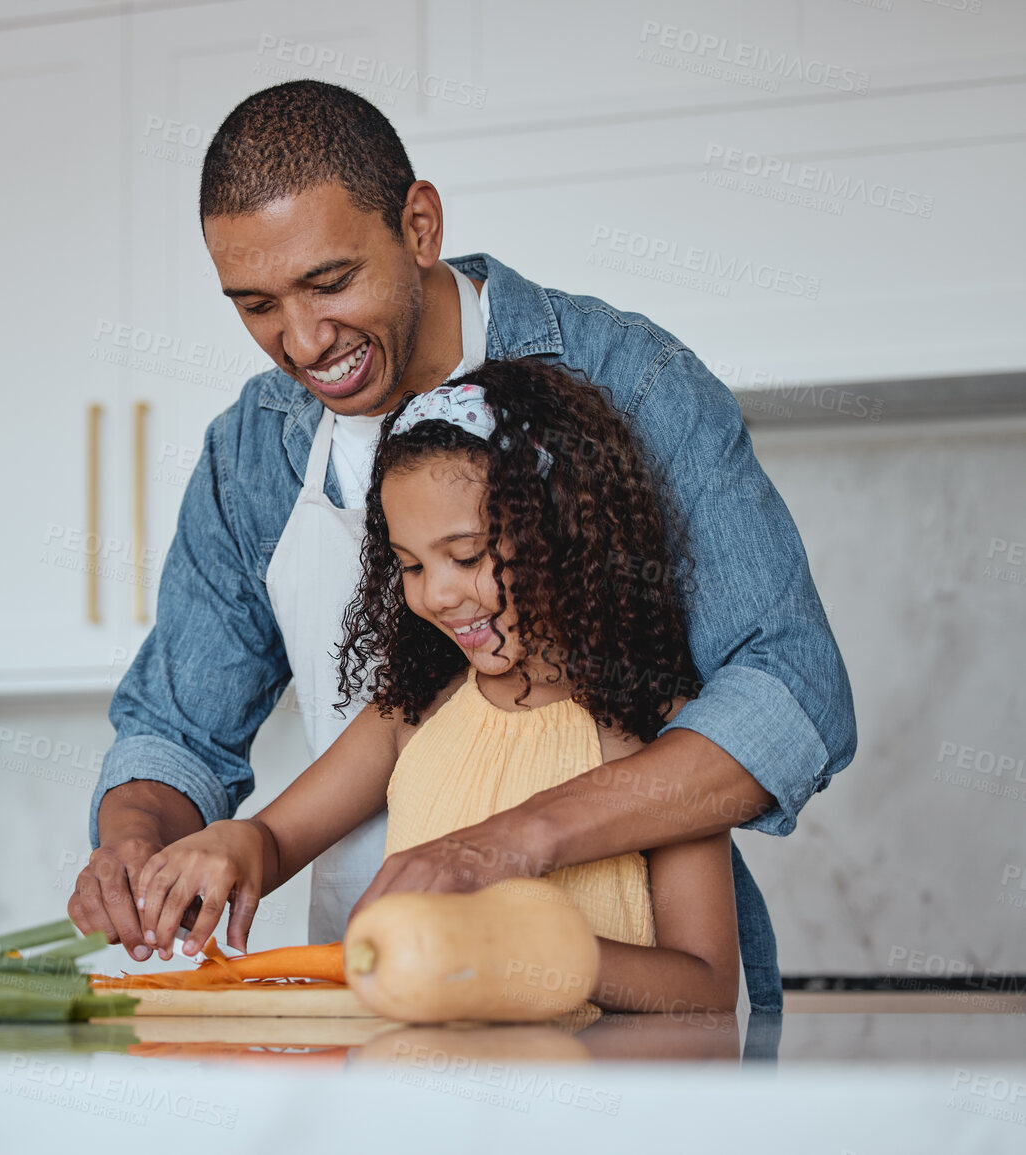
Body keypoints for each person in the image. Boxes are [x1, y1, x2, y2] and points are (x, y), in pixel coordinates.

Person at [69, 80, 855, 1014]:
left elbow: (793, 691)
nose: (304, 340)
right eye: (255, 306)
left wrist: (507, 845)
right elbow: (176, 731)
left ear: (419, 224)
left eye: (330, 282)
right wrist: (135, 844)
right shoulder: (253, 451)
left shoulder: (629, 384)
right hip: (384, 1000)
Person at [133, 360, 740, 1014]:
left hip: (597, 1104)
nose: (438, 593)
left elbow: (703, 983)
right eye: (411, 565)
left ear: (564, 528)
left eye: (468, 555)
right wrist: (235, 844)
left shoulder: (665, 738)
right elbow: (275, 840)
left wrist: (543, 953)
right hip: (425, 1093)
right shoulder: (412, 712)